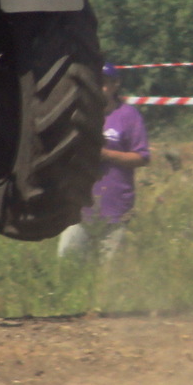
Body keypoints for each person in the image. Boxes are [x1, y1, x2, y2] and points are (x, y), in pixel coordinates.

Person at [58, 65, 149, 261]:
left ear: (115, 85)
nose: (98, 87)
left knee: (109, 272)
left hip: (115, 210)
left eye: (104, 83)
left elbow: (141, 157)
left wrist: (105, 154)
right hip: (79, 209)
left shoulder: (128, 116)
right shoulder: (78, 115)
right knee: (68, 264)